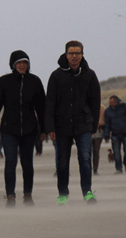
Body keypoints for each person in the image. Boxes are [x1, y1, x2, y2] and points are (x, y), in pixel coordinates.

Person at [0, 50, 46, 207]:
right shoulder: (3, 82)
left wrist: (44, 129)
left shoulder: (35, 81)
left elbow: (41, 108)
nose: (22, 65)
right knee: (10, 162)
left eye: (25, 63)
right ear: (13, 64)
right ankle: (10, 196)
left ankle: (28, 195)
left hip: (29, 129)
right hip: (9, 129)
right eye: (19, 63)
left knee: (27, 163)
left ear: (28, 64)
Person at [45, 40, 101, 205]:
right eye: (71, 53)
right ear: (66, 54)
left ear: (82, 54)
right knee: (62, 162)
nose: (74, 56)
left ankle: (88, 192)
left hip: (83, 123)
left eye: (78, 53)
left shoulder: (90, 75)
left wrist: (93, 124)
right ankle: (63, 193)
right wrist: (50, 126)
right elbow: (50, 103)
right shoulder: (56, 75)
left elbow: (95, 102)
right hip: (61, 125)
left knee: (85, 158)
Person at [104, 95, 126, 173]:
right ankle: (119, 168)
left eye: (111, 102)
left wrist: (125, 104)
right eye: (109, 102)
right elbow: (107, 124)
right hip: (115, 134)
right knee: (116, 153)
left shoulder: (125, 107)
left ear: (116, 102)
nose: (109, 103)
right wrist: (106, 135)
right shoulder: (108, 111)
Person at [91, 104, 106, 175]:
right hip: (87, 132)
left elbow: (103, 121)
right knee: (87, 151)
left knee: (96, 151)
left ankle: (95, 168)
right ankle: (88, 167)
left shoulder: (102, 108)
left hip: (98, 132)